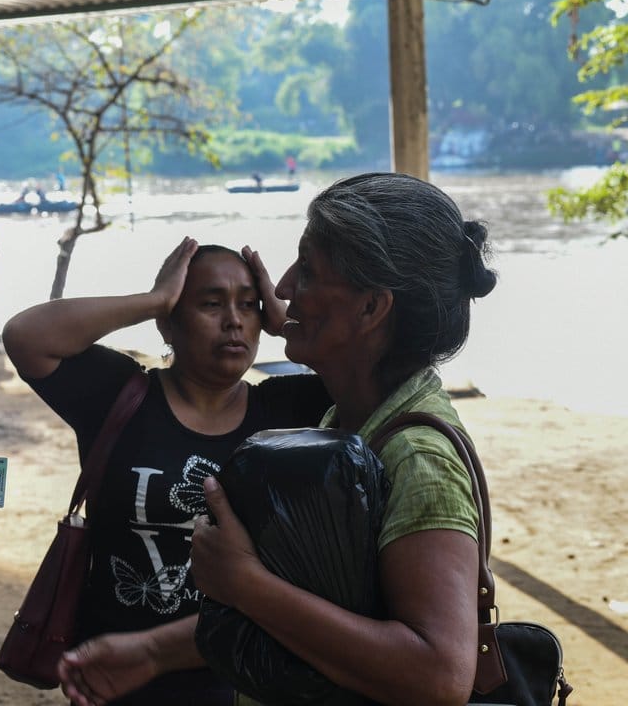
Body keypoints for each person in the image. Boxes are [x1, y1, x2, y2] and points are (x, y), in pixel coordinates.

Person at [190, 172, 497, 705]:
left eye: (306, 271)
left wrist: (244, 583)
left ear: (373, 308)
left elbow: (439, 674)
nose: (282, 288)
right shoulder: (355, 415)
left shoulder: (416, 457)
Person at [2, 238, 333, 705]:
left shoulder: (287, 409)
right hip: (112, 668)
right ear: (170, 322)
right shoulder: (119, 393)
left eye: (249, 305)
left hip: (238, 675)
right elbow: (25, 335)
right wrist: (152, 300)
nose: (234, 321)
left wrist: (289, 326)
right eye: (211, 304)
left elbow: (382, 382)